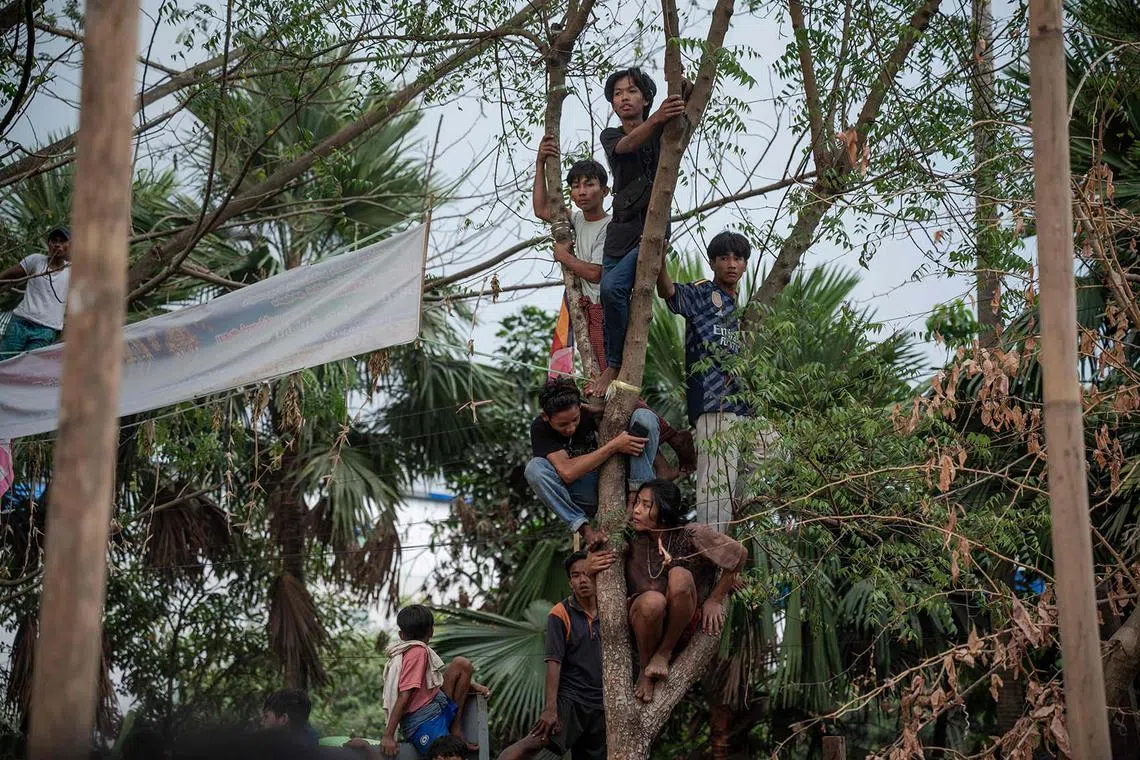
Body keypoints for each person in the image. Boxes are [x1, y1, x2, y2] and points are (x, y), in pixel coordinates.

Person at [531, 140, 697, 475]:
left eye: (589, 184)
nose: (581, 192)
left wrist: (565, 257)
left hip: (609, 311)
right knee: (607, 395)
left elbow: (598, 273)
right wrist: (540, 164)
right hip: (588, 309)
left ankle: (671, 436)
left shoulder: (612, 227)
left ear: (605, 191)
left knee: (614, 390)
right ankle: (664, 458)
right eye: (575, 186)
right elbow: (542, 209)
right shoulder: (574, 221)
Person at [657, 231, 765, 532]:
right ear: (713, 262)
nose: (731, 264)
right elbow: (669, 292)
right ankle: (708, 550)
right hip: (713, 403)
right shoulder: (704, 293)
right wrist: (660, 259)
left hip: (742, 408)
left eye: (738, 259)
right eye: (724, 258)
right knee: (714, 486)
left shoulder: (738, 307)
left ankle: (736, 512)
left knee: (774, 447)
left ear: (745, 264)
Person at [591, 68, 685, 396]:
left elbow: (684, 114)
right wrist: (657, 118)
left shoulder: (666, 131)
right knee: (608, 291)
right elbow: (628, 146)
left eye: (631, 91)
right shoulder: (612, 135)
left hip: (652, 230)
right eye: (617, 94)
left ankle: (614, 364)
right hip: (620, 231)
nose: (624, 98)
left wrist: (683, 90)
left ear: (645, 98)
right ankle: (612, 362)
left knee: (614, 287)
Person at [625, 479, 746, 703]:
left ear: (663, 511)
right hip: (642, 629)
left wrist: (716, 599)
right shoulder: (630, 540)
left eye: (645, 504)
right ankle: (646, 669)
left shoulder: (689, 534)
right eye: (636, 503)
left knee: (679, 576)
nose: (636, 510)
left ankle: (663, 653)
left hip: (680, 628)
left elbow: (738, 554)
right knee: (652, 601)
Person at [496, 550, 616, 760]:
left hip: (602, 703)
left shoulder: (611, 609)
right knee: (532, 743)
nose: (582, 580)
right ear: (570, 582)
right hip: (571, 700)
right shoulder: (560, 613)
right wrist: (550, 709)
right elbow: (554, 661)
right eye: (575, 575)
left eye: (587, 573)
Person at [526, 377, 659, 547]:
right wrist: (614, 446)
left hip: (625, 481)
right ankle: (585, 529)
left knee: (645, 417)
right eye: (563, 424)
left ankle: (638, 500)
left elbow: (624, 411)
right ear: (546, 416)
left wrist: (605, 401)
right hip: (585, 493)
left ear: (580, 407)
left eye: (575, 420)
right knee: (534, 469)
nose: (571, 428)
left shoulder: (588, 411)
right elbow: (567, 472)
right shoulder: (540, 428)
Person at [381, 605, 490, 758]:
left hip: (438, 705)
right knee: (448, 754)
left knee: (461, 664)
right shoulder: (417, 652)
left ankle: (455, 729)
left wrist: (471, 685)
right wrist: (388, 735)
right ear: (431, 631)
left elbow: (433, 680)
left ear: (401, 635)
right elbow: (404, 695)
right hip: (423, 722)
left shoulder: (414, 650)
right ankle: (453, 732)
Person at [0, 226, 72, 359]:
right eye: (54, 241)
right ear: (49, 244)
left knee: (29, 370)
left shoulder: (72, 273)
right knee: (4, 363)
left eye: (62, 241)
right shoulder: (36, 260)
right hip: (19, 323)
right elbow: (8, 275)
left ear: (70, 245)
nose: (57, 244)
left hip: (45, 330)